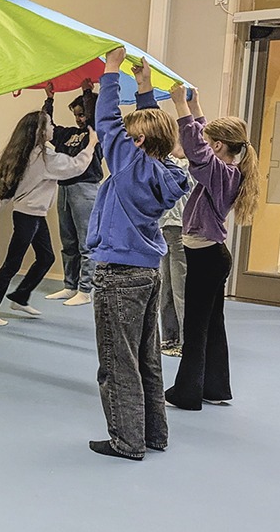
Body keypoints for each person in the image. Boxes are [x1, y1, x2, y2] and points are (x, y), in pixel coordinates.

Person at [85, 50, 189, 460]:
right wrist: (144, 89)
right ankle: (153, 434)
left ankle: (126, 441)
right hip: (147, 273)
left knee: (116, 362)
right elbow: (150, 132)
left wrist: (110, 72)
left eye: (131, 136)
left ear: (138, 141)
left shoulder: (130, 167)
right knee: (146, 358)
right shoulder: (165, 172)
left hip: (119, 275)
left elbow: (106, 122)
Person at [164, 83, 259, 411]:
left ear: (219, 146)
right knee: (212, 324)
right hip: (211, 256)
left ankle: (187, 393)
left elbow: (196, 147)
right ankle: (214, 386)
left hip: (206, 257)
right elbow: (203, 140)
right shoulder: (227, 169)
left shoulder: (222, 173)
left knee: (195, 326)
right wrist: (197, 103)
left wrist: (181, 107)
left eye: (210, 143)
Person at [0, 109, 98, 325]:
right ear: (40, 131)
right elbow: (76, 166)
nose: (53, 128)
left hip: (33, 215)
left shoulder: (25, 154)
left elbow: (5, 190)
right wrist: (91, 144)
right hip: (28, 217)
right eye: (49, 124)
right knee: (12, 265)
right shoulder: (44, 157)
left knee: (46, 257)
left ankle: (20, 296)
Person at [42, 80, 101, 307]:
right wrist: (49, 99)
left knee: (86, 242)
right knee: (68, 240)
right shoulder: (67, 134)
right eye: (76, 115)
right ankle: (70, 285)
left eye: (82, 114)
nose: (79, 118)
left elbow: (95, 117)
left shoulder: (97, 133)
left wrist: (87, 92)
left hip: (86, 188)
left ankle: (85, 289)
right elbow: (45, 126)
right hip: (65, 188)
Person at [159, 145, 191, 357]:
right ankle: (169, 337)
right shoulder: (164, 161)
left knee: (181, 290)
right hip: (163, 229)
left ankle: (185, 340)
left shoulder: (191, 166)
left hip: (180, 230)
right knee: (166, 287)